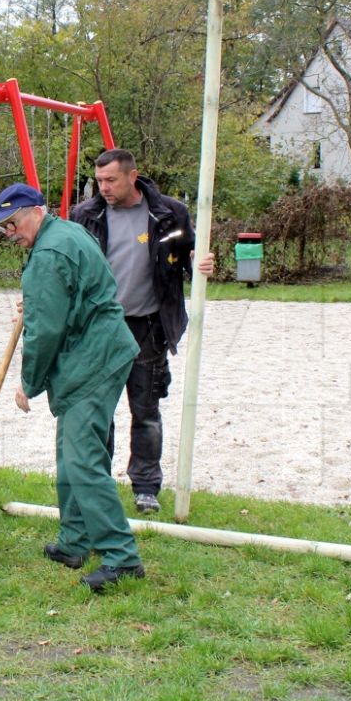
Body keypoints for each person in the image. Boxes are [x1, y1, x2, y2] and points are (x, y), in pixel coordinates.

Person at [0, 183, 144, 591]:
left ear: (36, 211)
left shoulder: (48, 254)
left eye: (13, 223)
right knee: (72, 450)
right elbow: (66, 297)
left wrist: (29, 383)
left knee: (81, 459)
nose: (10, 233)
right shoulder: (67, 232)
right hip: (106, 350)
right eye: (3, 228)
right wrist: (41, 300)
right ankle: (74, 541)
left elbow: (45, 331)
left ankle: (122, 558)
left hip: (92, 359)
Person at [71, 149, 215, 514]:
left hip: (148, 327)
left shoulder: (169, 214)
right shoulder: (85, 216)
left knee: (145, 410)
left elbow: (190, 257)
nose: (103, 187)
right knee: (98, 411)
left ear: (133, 176)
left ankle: (146, 486)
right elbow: (68, 266)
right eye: (99, 181)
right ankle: (98, 483)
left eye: (111, 180)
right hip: (99, 327)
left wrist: (203, 263)